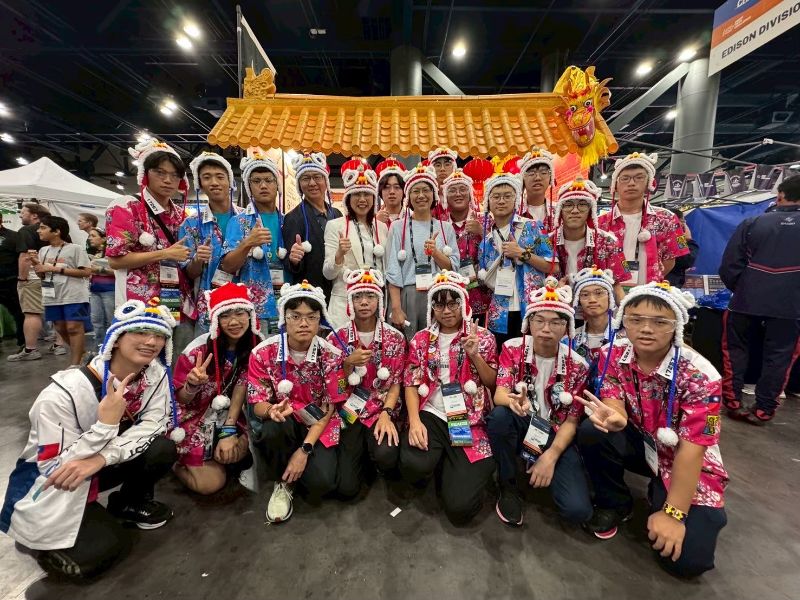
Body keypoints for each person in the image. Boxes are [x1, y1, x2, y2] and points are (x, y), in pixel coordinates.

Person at [0, 299, 179, 579]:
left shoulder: (155, 374)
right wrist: (105, 425)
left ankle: (127, 503)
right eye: (141, 332)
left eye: (159, 335)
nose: (151, 342)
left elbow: (155, 423)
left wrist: (102, 457)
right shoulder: (62, 393)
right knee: (107, 549)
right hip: (52, 482)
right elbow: (54, 468)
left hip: (96, 465)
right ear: (116, 338)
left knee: (162, 448)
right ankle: (44, 542)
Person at [577, 282, 728, 578]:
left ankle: (664, 496)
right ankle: (616, 503)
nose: (646, 329)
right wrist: (616, 416)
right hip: (639, 439)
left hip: (685, 456)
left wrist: (674, 514)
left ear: (676, 325)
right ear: (624, 320)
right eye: (636, 319)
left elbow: (695, 448)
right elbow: (612, 396)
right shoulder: (611, 353)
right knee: (592, 431)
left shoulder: (703, 376)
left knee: (687, 562)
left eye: (660, 322)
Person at [488, 278, 591, 527]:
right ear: (529, 323)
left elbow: (572, 421)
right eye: (539, 320)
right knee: (500, 417)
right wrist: (514, 402)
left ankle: (541, 461)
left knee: (577, 511)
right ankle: (508, 485)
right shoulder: (512, 348)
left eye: (556, 322)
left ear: (567, 327)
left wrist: (551, 456)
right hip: (524, 420)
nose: (546, 329)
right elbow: (499, 394)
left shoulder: (578, 365)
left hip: (555, 433)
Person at [247, 280, 353, 524]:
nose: (304, 323)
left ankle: (298, 466)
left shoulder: (331, 354)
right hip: (283, 423)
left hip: (317, 424)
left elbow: (329, 407)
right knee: (273, 428)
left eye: (311, 317)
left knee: (323, 484)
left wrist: (304, 451)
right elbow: (257, 402)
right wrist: (271, 410)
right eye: (295, 316)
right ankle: (282, 483)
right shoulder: (262, 353)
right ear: (284, 318)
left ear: (320, 320)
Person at [400, 271, 497, 524]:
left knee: (460, 509)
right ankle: (439, 456)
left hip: (469, 420)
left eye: (453, 303)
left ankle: (453, 464)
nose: (446, 311)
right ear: (432, 307)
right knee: (412, 465)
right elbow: (411, 382)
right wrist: (414, 421)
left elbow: (492, 383)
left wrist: (475, 355)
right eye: (439, 304)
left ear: (463, 303)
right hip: (431, 413)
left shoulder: (483, 337)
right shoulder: (421, 339)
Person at [719, 174, 800, 424]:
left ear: (780, 195)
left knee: (735, 350)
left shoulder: (753, 223)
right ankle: (764, 409)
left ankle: (733, 402)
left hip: (745, 300)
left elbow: (730, 265)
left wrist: (743, 288)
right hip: (791, 306)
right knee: (781, 357)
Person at [105, 138, 194, 359]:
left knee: (178, 362)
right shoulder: (127, 206)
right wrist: (164, 253)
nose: (168, 180)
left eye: (174, 175)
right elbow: (115, 260)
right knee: (141, 362)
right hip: (140, 305)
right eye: (160, 172)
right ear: (145, 174)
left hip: (177, 302)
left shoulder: (180, 214)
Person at [172, 283, 262, 494]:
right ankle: (177, 463)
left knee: (237, 451)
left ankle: (219, 454)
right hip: (193, 417)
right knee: (210, 485)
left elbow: (243, 385)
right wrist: (192, 385)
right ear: (215, 320)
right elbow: (181, 400)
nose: (234, 322)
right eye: (225, 315)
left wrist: (229, 430)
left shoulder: (257, 345)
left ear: (250, 315)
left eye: (240, 313)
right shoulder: (197, 350)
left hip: (232, 415)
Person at [327, 269, 406, 474]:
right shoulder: (336, 339)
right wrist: (347, 365)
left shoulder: (395, 337)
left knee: (387, 455)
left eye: (370, 296)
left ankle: (374, 458)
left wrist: (387, 413)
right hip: (349, 409)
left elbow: (395, 383)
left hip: (381, 407)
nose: (364, 302)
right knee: (347, 484)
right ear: (350, 301)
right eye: (357, 297)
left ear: (379, 300)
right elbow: (335, 388)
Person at [477, 171, 553, 347]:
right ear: (488, 201)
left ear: (516, 199)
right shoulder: (486, 242)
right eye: (496, 197)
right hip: (499, 314)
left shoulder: (533, 226)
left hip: (532, 309)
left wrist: (521, 253)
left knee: (530, 356)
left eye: (507, 196)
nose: (501, 201)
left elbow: (553, 267)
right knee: (504, 356)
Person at [385, 164, 460, 339]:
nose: (421, 196)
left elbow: (453, 268)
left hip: (440, 297)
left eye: (426, 190)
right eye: (415, 191)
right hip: (408, 295)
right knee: (407, 344)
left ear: (434, 194)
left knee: (436, 345)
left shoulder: (446, 228)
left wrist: (435, 253)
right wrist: (396, 307)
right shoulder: (398, 227)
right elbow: (393, 270)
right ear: (408, 197)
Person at [598, 152, 689, 286]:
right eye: (625, 178)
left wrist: (651, 279)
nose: (631, 183)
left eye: (639, 177)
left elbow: (670, 259)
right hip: (608, 291)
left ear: (649, 183)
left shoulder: (666, 219)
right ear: (615, 185)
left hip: (648, 290)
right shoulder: (600, 223)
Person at [222, 152, 284, 334]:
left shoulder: (288, 220)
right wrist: (247, 243)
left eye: (269, 180)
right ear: (249, 187)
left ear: (277, 184)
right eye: (256, 181)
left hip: (287, 305)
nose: (263, 185)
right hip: (253, 309)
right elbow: (227, 266)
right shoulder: (238, 222)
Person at [180, 151, 241, 335]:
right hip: (209, 305)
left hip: (244, 301)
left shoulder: (247, 219)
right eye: (207, 177)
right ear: (199, 184)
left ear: (230, 181)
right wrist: (198, 259)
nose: (214, 182)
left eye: (220, 177)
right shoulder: (191, 225)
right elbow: (189, 273)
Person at [323, 165, 389, 328]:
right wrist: (339, 254)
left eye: (367, 194)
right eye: (357, 194)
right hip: (345, 304)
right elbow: (328, 273)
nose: (362, 199)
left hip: (376, 303)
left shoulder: (382, 227)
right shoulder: (335, 226)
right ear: (348, 198)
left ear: (374, 198)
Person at [33, 216, 92, 367]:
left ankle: (75, 364)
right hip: (52, 295)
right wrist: (37, 266)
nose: (39, 230)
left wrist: (55, 269)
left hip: (73, 294)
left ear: (56, 231)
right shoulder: (43, 250)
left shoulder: (75, 248)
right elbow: (43, 275)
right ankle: (83, 354)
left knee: (73, 328)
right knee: (59, 328)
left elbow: (86, 272)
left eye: (43, 227)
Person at [283, 152, 343, 301]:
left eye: (317, 177)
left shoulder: (337, 214)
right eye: (305, 178)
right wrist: (294, 260)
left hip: (338, 291)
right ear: (299, 184)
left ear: (325, 181)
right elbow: (291, 265)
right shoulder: (293, 218)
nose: (312, 183)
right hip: (310, 294)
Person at [443, 168, 492, 324]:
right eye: (452, 190)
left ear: (470, 193)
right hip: (450, 299)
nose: (458, 194)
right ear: (445, 196)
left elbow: (501, 251)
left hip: (482, 296)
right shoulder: (440, 224)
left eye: (463, 189)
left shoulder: (486, 220)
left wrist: (483, 232)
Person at [7, 202, 50, 362]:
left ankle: (30, 349)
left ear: (34, 215)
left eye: (23, 212)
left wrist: (22, 278)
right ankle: (59, 345)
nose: (20, 215)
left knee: (31, 313)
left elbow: (25, 256)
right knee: (56, 311)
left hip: (32, 277)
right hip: (52, 275)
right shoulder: (57, 229)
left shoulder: (26, 231)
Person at [571, 266, 618, 392]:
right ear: (578, 301)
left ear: (610, 297)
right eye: (585, 295)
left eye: (599, 293)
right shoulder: (571, 338)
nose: (592, 300)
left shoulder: (625, 336)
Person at [87, 228, 115, 351]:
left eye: (93, 236)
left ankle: (111, 349)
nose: (90, 238)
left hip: (110, 290)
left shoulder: (112, 253)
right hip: (95, 290)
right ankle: (99, 349)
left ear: (104, 238)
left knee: (110, 321)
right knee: (96, 321)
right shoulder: (94, 252)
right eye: (90, 236)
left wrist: (98, 269)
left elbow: (118, 271)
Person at [0, 215, 24, 351]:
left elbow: (21, 256)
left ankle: (23, 343)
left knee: (19, 313)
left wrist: (21, 277)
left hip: (10, 281)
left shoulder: (13, 236)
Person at [518, 148, 557, 231]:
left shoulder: (558, 211)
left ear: (551, 178)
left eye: (543, 173)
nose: (538, 178)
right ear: (523, 179)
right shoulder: (514, 212)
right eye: (531, 173)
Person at [666, 208, 699, 288]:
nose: (684, 225)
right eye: (683, 222)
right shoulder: (676, 238)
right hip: (667, 285)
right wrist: (688, 240)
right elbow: (686, 260)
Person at [427, 147, 457, 219]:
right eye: (438, 165)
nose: (442, 169)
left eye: (447, 164)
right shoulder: (427, 194)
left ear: (454, 167)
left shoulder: (463, 193)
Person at [374, 157, 406, 225]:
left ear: (404, 190)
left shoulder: (411, 218)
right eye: (386, 187)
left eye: (397, 187)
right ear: (380, 191)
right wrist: (376, 224)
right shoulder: (373, 221)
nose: (392, 192)